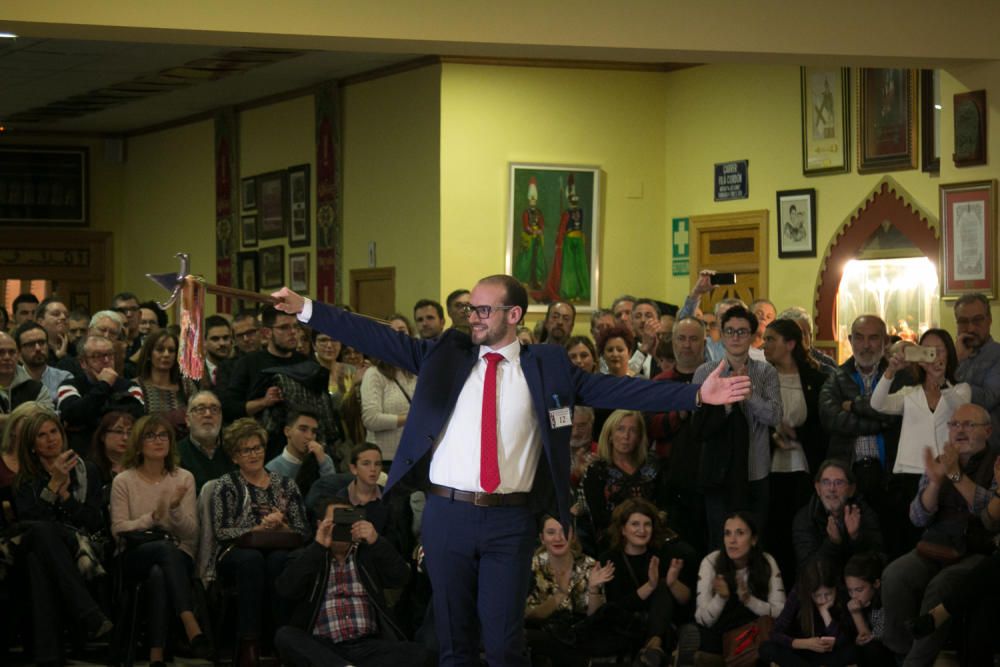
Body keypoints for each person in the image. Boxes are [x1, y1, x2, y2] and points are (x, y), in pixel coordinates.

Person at [270, 273, 750, 666]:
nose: (471, 317)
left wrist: (693, 394)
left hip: (510, 521)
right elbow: (373, 333)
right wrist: (307, 308)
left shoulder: (547, 365)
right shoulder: (445, 354)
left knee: (503, 646)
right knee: (452, 644)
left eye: (483, 310)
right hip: (447, 515)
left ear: (513, 315)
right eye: (470, 309)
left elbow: (616, 391)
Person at [880, 403, 998, 665]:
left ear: (988, 431)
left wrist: (955, 475)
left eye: (969, 424)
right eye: (954, 424)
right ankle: (900, 655)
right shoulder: (938, 461)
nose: (959, 430)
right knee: (894, 576)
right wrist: (934, 483)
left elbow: (990, 517)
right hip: (934, 546)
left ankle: (915, 664)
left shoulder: (997, 464)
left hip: (975, 552)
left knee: (940, 588)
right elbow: (917, 518)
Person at [274, 496, 428, 667]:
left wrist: (376, 540)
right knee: (285, 636)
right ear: (320, 524)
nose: (341, 527)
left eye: (346, 521)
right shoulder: (307, 556)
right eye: (334, 521)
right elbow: (285, 589)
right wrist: (317, 547)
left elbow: (401, 577)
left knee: (421, 653)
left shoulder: (367, 554)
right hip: (325, 647)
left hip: (369, 645)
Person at [13, 409, 113, 665]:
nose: (50, 439)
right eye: (41, 435)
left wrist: (67, 499)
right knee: (42, 535)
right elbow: (30, 521)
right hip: (42, 548)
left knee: (39, 559)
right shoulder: (24, 479)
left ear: (62, 434)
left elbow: (94, 521)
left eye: (54, 432)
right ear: (32, 446)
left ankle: (48, 655)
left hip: (80, 546)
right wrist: (53, 485)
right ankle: (89, 614)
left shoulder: (86, 471)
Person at [110, 415, 211, 665]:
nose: (158, 441)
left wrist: (175, 509)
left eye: (163, 435)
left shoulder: (183, 478)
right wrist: (153, 518)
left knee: (159, 571)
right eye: (151, 435)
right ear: (139, 443)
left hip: (178, 554)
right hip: (135, 554)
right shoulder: (123, 480)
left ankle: (156, 655)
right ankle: (189, 622)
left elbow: (191, 534)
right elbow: (119, 529)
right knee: (161, 553)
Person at [212, 418, 310, 665]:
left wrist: (282, 526)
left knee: (279, 560)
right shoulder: (226, 484)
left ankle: (281, 640)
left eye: (257, 448)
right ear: (235, 457)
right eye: (246, 450)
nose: (254, 454)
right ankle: (249, 643)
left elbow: (303, 531)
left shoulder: (286, 485)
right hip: (238, 551)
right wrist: (255, 528)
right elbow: (221, 530)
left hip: (278, 547)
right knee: (252, 560)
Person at [872, 328, 970, 554]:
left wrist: (942, 382)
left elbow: (961, 412)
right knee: (907, 543)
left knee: (940, 543)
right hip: (908, 473)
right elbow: (877, 404)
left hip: (946, 475)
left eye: (939, 350)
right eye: (927, 350)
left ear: (949, 354)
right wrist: (890, 370)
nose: (933, 355)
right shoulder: (910, 393)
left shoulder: (960, 390)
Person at [693, 305, 782, 549]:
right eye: (730, 331)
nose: (735, 337)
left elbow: (775, 416)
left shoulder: (766, 372)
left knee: (754, 543)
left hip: (755, 471)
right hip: (719, 472)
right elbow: (698, 425)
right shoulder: (705, 372)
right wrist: (728, 401)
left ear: (754, 336)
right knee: (720, 544)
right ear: (721, 335)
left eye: (742, 332)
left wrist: (749, 395)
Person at [819, 315, 903, 537]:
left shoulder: (900, 376)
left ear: (885, 341)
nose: (866, 345)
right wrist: (880, 421)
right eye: (859, 338)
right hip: (849, 474)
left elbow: (897, 417)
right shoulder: (836, 377)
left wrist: (853, 406)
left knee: (889, 538)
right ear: (850, 339)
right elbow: (832, 419)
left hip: (889, 476)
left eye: (873, 338)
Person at [762, 318, 829, 579]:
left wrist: (797, 434)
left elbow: (820, 424)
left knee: (801, 530)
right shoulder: (760, 377)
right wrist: (772, 436)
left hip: (803, 465)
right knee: (774, 531)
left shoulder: (815, 378)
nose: (765, 345)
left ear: (790, 344)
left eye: (771, 339)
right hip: (770, 465)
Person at [602, 498, 698, 666]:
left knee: (663, 586)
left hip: (663, 623)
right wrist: (649, 586)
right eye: (635, 524)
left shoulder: (665, 554)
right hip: (627, 627)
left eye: (647, 524)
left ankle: (654, 645)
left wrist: (673, 582)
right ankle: (653, 648)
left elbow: (685, 601)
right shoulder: (610, 559)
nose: (642, 530)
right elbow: (615, 606)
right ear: (623, 529)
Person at [524, 515, 618, 667]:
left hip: (581, 633)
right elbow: (528, 616)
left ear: (573, 536)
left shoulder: (589, 565)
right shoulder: (532, 567)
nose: (558, 538)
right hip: (543, 632)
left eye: (564, 532)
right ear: (542, 538)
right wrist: (559, 596)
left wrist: (594, 588)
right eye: (551, 532)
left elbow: (594, 618)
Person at [694, 511, 785, 658]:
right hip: (720, 635)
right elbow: (702, 619)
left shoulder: (767, 561)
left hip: (753, 635)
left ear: (754, 539)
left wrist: (749, 600)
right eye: (727, 534)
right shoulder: (711, 561)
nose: (732, 540)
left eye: (740, 533)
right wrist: (721, 598)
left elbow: (780, 613)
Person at [581, 409, 665, 553]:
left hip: (651, 533)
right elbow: (598, 516)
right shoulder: (596, 470)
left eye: (632, 431)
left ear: (639, 437)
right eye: (620, 429)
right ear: (610, 435)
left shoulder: (653, 464)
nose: (626, 436)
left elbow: (664, 503)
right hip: (613, 537)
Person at [57, 333, 145, 455]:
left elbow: (138, 418)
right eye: (97, 356)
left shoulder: (131, 387)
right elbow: (72, 415)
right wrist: (104, 385)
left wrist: (88, 418)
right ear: (83, 362)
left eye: (109, 355)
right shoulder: (69, 385)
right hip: (84, 454)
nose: (106, 361)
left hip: (124, 453)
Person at [759, 559, 858, 666]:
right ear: (809, 592)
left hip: (828, 654)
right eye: (817, 595)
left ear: (835, 588)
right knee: (767, 648)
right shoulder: (798, 593)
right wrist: (805, 644)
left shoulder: (842, 594)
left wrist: (825, 614)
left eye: (828, 594)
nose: (823, 600)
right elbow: (775, 633)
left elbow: (843, 642)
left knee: (852, 652)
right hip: (803, 650)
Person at [792, 460, 883, 572]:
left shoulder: (864, 512)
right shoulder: (805, 518)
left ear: (851, 489)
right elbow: (808, 569)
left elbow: (878, 561)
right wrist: (832, 543)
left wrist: (856, 537)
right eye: (826, 482)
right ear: (818, 488)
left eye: (839, 482)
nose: (832, 489)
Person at [953, 293, 1000, 453]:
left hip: (989, 454)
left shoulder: (998, 355)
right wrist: (955, 360)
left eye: (977, 320)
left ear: (989, 320)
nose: (971, 328)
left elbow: (988, 398)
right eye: (963, 322)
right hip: (954, 451)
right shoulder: (951, 356)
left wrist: (952, 386)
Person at [136, 329, 196, 439]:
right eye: (160, 350)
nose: (166, 354)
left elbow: (197, 417)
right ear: (149, 354)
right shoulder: (137, 387)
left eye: (171, 350)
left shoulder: (186, 385)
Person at [177, 390, 234, 493]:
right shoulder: (175, 454)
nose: (208, 414)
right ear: (187, 420)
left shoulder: (234, 450)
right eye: (200, 409)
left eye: (214, 409)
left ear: (221, 417)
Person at [844, 552, 894, 666]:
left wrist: (856, 614)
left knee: (872, 649)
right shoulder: (851, 602)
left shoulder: (884, 602)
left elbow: (871, 641)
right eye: (850, 590)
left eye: (859, 590)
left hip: (887, 656)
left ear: (876, 583)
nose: (853, 596)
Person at [266, 409, 338, 479]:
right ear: (287, 431)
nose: (309, 436)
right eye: (303, 429)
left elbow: (333, 490)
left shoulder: (323, 459)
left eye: (314, 431)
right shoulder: (272, 469)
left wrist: (323, 464)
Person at [14, 320, 73, 399]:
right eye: (30, 344)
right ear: (19, 352)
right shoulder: (11, 381)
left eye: (42, 342)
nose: (38, 348)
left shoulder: (64, 378)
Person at [91, 410, 134, 483]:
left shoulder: (139, 467)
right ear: (103, 436)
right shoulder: (92, 469)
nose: (125, 438)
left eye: (130, 433)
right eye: (119, 432)